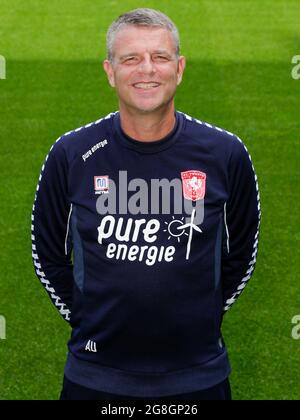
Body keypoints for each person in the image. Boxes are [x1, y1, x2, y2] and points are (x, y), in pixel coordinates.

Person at [31, 8, 261, 400]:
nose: (147, 70)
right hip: (95, 378)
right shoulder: (72, 154)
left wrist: (201, 316)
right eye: (131, 58)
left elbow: (241, 253)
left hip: (198, 377)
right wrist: (88, 318)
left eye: (160, 57)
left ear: (180, 67)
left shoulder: (225, 153)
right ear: (110, 71)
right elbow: (47, 254)